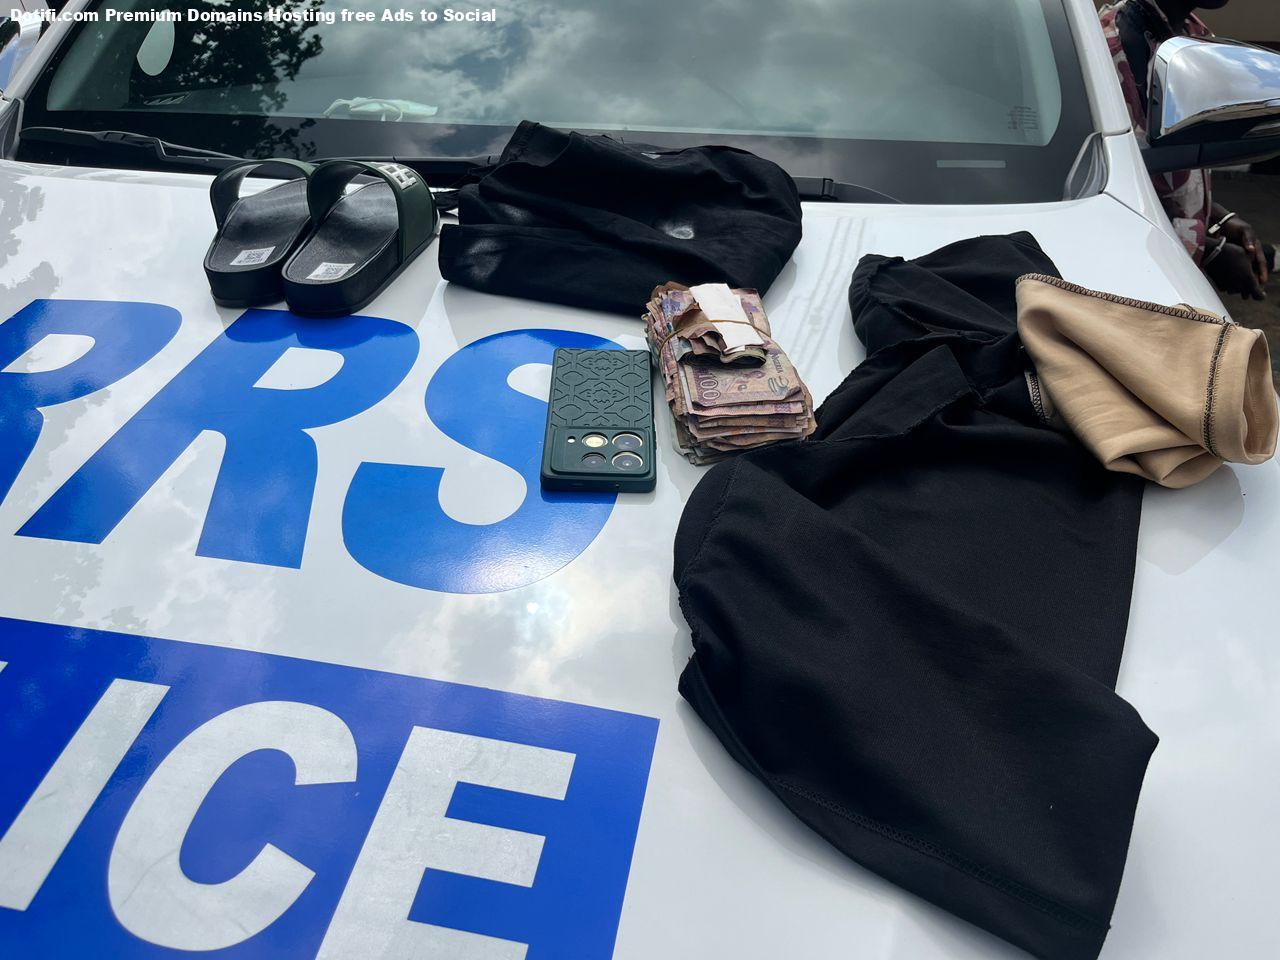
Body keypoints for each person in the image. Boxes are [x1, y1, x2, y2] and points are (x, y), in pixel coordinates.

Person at [1100, 0, 1271, 300]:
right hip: (1137, 285)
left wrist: (1217, 218)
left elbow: (1168, 168)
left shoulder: (1192, 34)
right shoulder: (1116, 50)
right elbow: (1118, 189)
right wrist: (1211, 252)